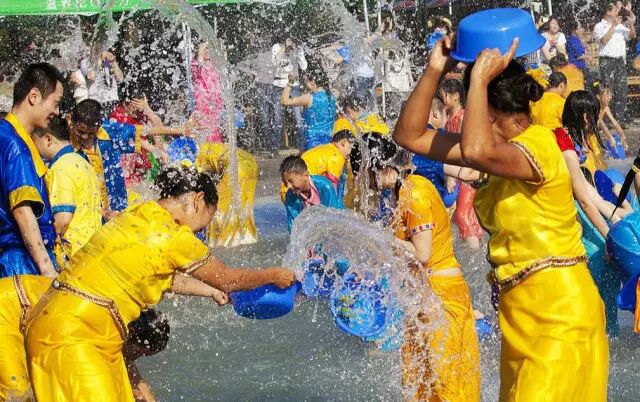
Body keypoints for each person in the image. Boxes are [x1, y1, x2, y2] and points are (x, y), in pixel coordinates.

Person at [393, 38, 608, 401]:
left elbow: (476, 149)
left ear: (489, 113)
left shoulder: (539, 144)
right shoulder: (497, 153)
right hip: (519, 319)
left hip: (561, 316)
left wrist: (477, 80)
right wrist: (434, 70)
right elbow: (408, 135)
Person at [25, 164, 295, 401]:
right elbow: (228, 279)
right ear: (198, 200)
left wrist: (209, 291)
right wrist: (274, 274)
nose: (200, 231)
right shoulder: (175, 236)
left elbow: (157, 274)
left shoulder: (140, 213)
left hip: (56, 321)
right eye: (205, 222)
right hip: (78, 336)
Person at [360, 137, 480, 401]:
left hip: (441, 297)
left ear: (382, 168)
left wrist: (379, 236)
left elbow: (422, 254)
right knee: (420, 381)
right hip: (424, 296)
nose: (364, 182)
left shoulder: (415, 194)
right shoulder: (403, 191)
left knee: (444, 382)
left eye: (365, 174)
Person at [0, 274, 226, 402]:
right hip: (7, 309)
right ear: (132, 337)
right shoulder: (104, 328)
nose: (134, 359)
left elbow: (135, 381)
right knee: (17, 394)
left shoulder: (121, 320)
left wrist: (212, 291)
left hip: (23, 311)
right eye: (138, 353)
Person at [555, 90, 632, 336]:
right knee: (601, 263)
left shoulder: (570, 143)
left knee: (606, 267)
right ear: (586, 117)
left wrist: (622, 222)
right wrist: (610, 238)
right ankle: (603, 334)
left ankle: (608, 332)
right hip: (565, 223)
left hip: (577, 216)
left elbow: (592, 196)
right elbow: (584, 202)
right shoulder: (563, 146)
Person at [69, 99, 191, 219]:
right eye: (80, 131)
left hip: (117, 207)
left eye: (91, 133)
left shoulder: (108, 132)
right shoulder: (67, 148)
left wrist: (179, 130)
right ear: (71, 121)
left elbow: (144, 131)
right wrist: (101, 212)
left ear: (99, 127)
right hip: (87, 215)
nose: (85, 137)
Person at [0, 63, 63, 278]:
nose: (57, 112)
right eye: (55, 103)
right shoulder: (15, 145)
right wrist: (47, 268)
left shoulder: (5, 134)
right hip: (21, 263)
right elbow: (22, 209)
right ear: (34, 96)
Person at [31, 116, 102, 269]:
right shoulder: (82, 161)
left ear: (48, 139)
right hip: (91, 252)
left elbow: (62, 220)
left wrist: (36, 245)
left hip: (73, 259)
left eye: (34, 141)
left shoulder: (61, 167)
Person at [441, 79, 484, 250]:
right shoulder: (446, 114)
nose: (443, 98)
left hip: (466, 171)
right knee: (459, 214)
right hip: (453, 170)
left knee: (462, 215)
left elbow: (463, 149)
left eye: (445, 95)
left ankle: (475, 253)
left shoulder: (462, 117)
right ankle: (469, 249)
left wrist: (451, 176)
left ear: (456, 96)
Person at [195, 143, 260, 247]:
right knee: (242, 209)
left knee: (217, 211)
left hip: (237, 167)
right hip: (251, 164)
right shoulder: (201, 147)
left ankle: (219, 245)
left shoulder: (186, 159)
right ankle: (247, 240)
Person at [110, 82, 167, 187]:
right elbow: (137, 139)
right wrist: (159, 152)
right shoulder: (117, 117)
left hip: (142, 164)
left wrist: (148, 109)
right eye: (135, 106)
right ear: (125, 103)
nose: (138, 110)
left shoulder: (140, 114)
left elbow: (159, 129)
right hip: (125, 168)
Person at [281, 130, 355, 201]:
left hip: (286, 188)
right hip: (297, 187)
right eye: (351, 148)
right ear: (344, 142)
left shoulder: (323, 149)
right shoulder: (337, 156)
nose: (351, 154)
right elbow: (332, 186)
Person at [594, 1, 636, 123]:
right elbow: (604, 40)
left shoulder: (620, 25)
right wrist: (613, 26)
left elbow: (632, 36)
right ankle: (607, 119)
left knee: (621, 90)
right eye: (615, 9)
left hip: (620, 61)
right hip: (607, 60)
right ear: (608, 12)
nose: (618, 11)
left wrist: (631, 25)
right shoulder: (599, 26)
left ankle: (619, 119)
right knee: (607, 90)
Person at [281, 58, 336, 150]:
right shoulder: (331, 97)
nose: (304, 82)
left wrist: (290, 82)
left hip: (312, 144)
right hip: (328, 143)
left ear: (312, 82)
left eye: (306, 80)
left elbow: (284, 101)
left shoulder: (309, 98)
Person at [280, 155, 344, 231]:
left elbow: (332, 218)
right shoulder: (290, 196)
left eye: (291, 181)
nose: (288, 186)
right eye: (285, 182)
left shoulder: (324, 186)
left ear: (305, 175)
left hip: (339, 221)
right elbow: (293, 226)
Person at [272, 36, 308, 150]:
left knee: (298, 117)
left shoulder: (297, 49)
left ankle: (302, 146)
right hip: (279, 86)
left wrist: (300, 51)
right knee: (278, 118)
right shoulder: (277, 47)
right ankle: (276, 147)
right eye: (287, 40)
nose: (290, 43)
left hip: (294, 86)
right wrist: (284, 48)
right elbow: (275, 62)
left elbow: (304, 67)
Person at [191, 41, 224, 143]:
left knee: (215, 126)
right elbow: (195, 73)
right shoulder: (196, 63)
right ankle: (204, 145)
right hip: (203, 101)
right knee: (203, 124)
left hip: (215, 102)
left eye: (210, 48)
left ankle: (215, 145)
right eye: (205, 48)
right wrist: (200, 54)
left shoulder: (215, 65)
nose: (208, 51)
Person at [594, 82, 628, 157]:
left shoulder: (606, 108)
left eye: (610, 95)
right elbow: (602, 125)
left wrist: (622, 135)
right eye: (607, 95)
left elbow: (614, 123)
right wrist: (610, 137)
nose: (610, 98)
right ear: (598, 96)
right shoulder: (595, 107)